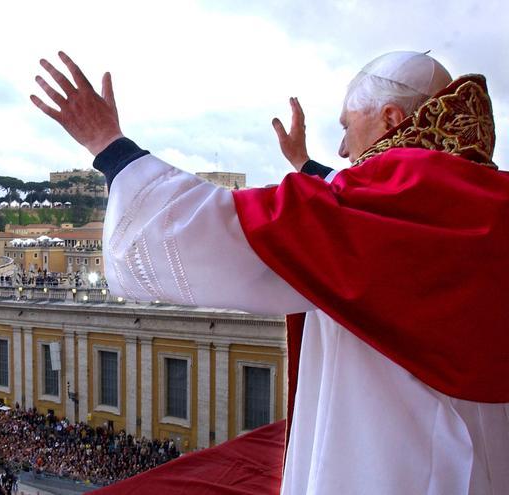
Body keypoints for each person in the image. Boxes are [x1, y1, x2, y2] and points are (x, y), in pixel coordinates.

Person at [31, 51, 509, 494]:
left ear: (391, 120)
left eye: (347, 126)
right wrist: (304, 163)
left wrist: (109, 146)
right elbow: (355, 210)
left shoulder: (379, 209)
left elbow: (217, 233)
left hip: (398, 467)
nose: (342, 149)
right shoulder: (485, 199)